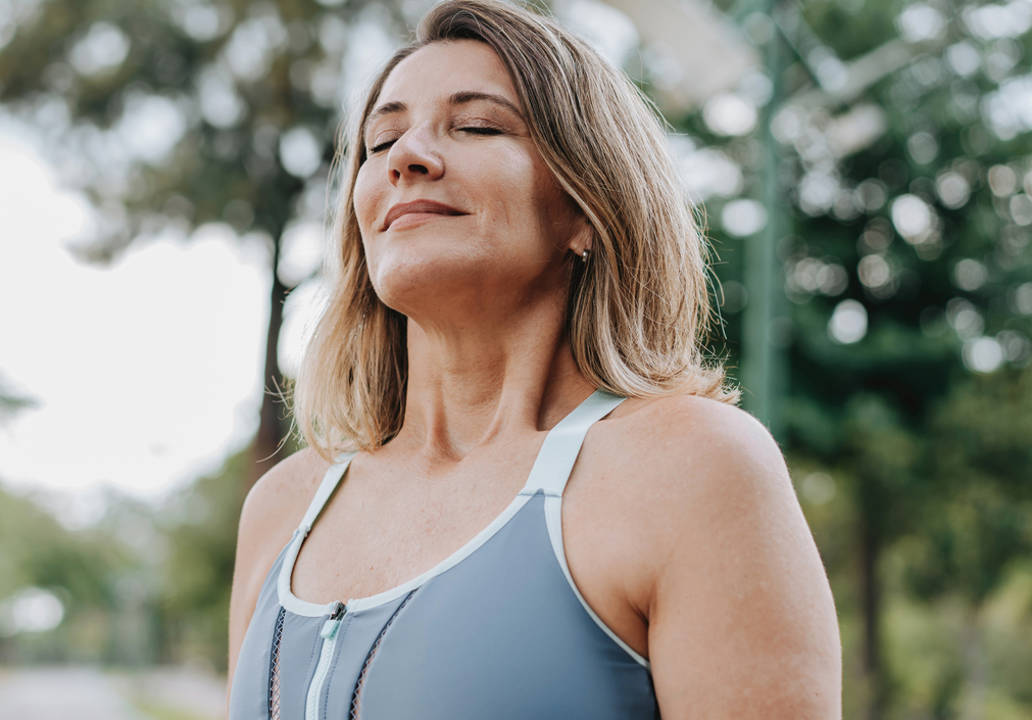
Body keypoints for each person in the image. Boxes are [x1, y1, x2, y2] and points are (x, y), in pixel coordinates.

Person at [226, 0, 841, 717]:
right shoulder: (283, 506)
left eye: (478, 125)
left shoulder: (694, 468)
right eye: (380, 139)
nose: (406, 158)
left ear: (586, 206)